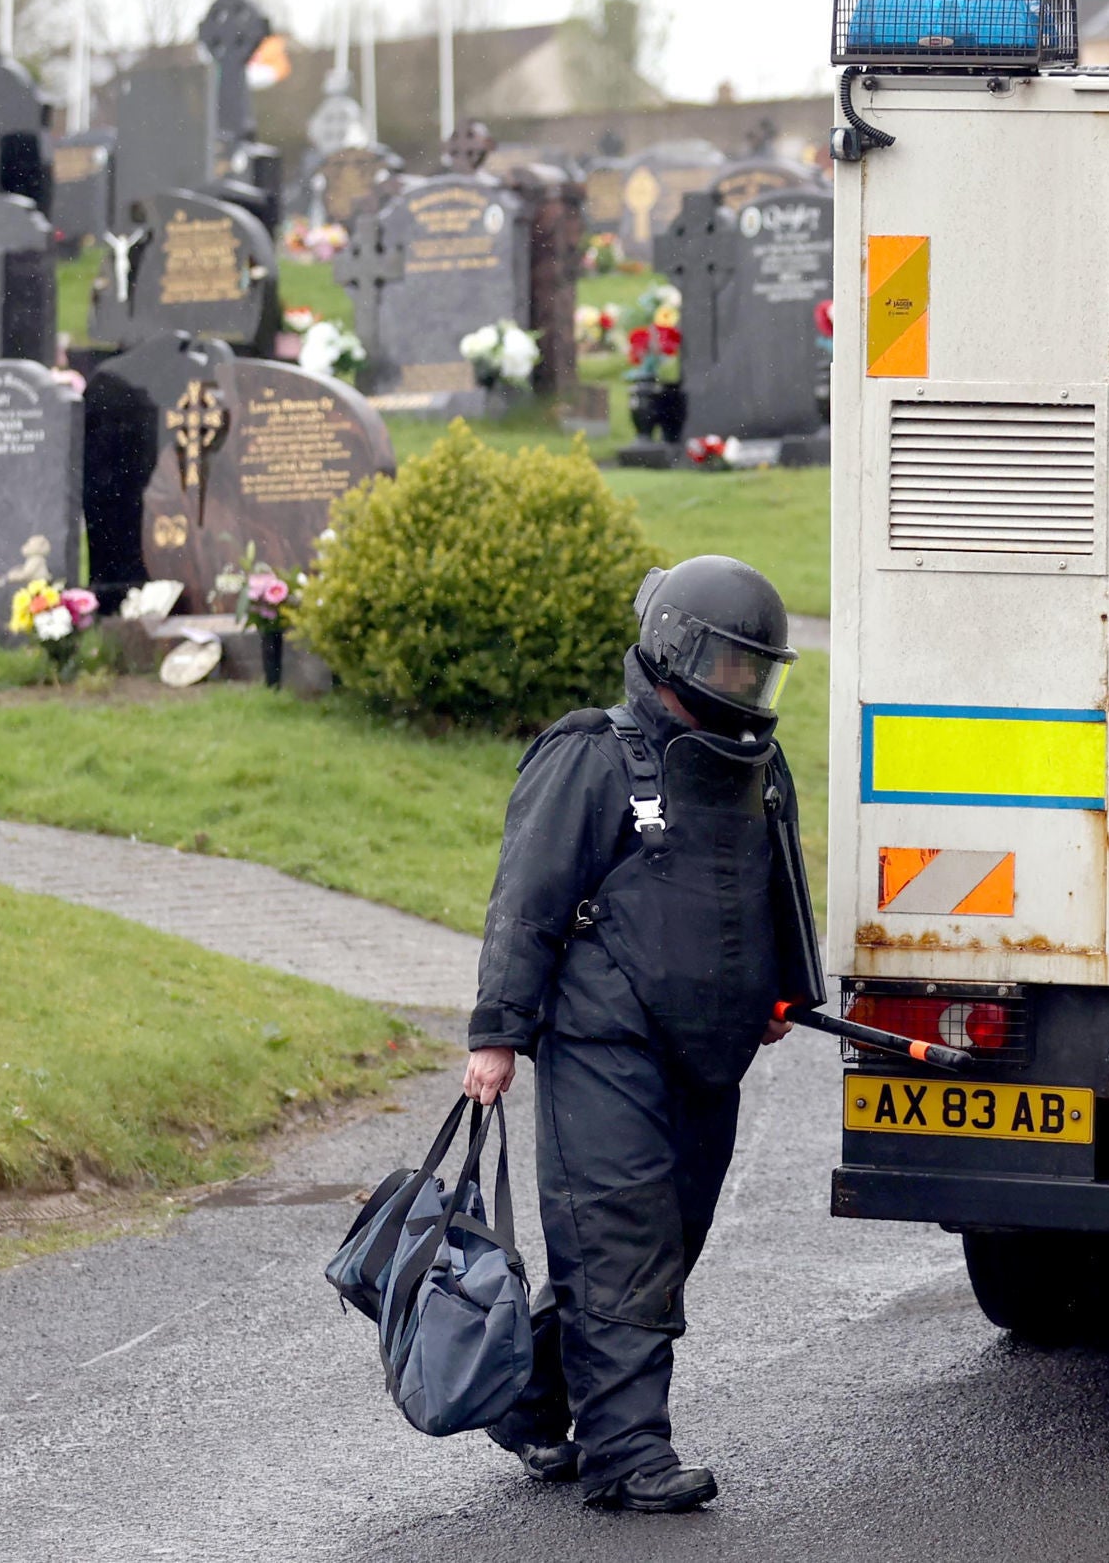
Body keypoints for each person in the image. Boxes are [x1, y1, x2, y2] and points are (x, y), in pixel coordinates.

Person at [462, 555, 820, 1513]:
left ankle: (532, 1394)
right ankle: (627, 1457)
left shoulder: (759, 767)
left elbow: (778, 890)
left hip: (711, 1045)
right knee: (621, 1238)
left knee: (665, 1240)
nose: (744, 686)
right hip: (599, 1039)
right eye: (731, 666)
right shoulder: (591, 754)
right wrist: (496, 1034)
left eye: (759, 670)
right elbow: (526, 901)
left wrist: (787, 991)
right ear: (676, 653)